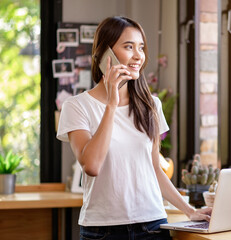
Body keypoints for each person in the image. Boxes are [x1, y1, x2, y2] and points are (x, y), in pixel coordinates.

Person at [57, 16, 212, 240]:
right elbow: (91, 165)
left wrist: (190, 210)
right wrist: (111, 104)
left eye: (141, 47)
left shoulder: (151, 105)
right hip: (103, 230)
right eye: (128, 47)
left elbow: (155, 168)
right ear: (105, 54)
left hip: (153, 225)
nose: (139, 56)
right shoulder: (77, 106)